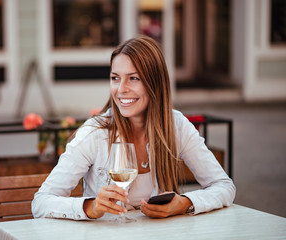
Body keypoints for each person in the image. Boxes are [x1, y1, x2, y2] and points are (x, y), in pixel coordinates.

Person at [32, 35, 236, 220]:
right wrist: (90, 207)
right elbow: (40, 203)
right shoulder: (94, 133)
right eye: (115, 78)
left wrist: (184, 204)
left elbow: (224, 186)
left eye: (134, 78)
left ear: (155, 83)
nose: (121, 90)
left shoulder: (177, 126)